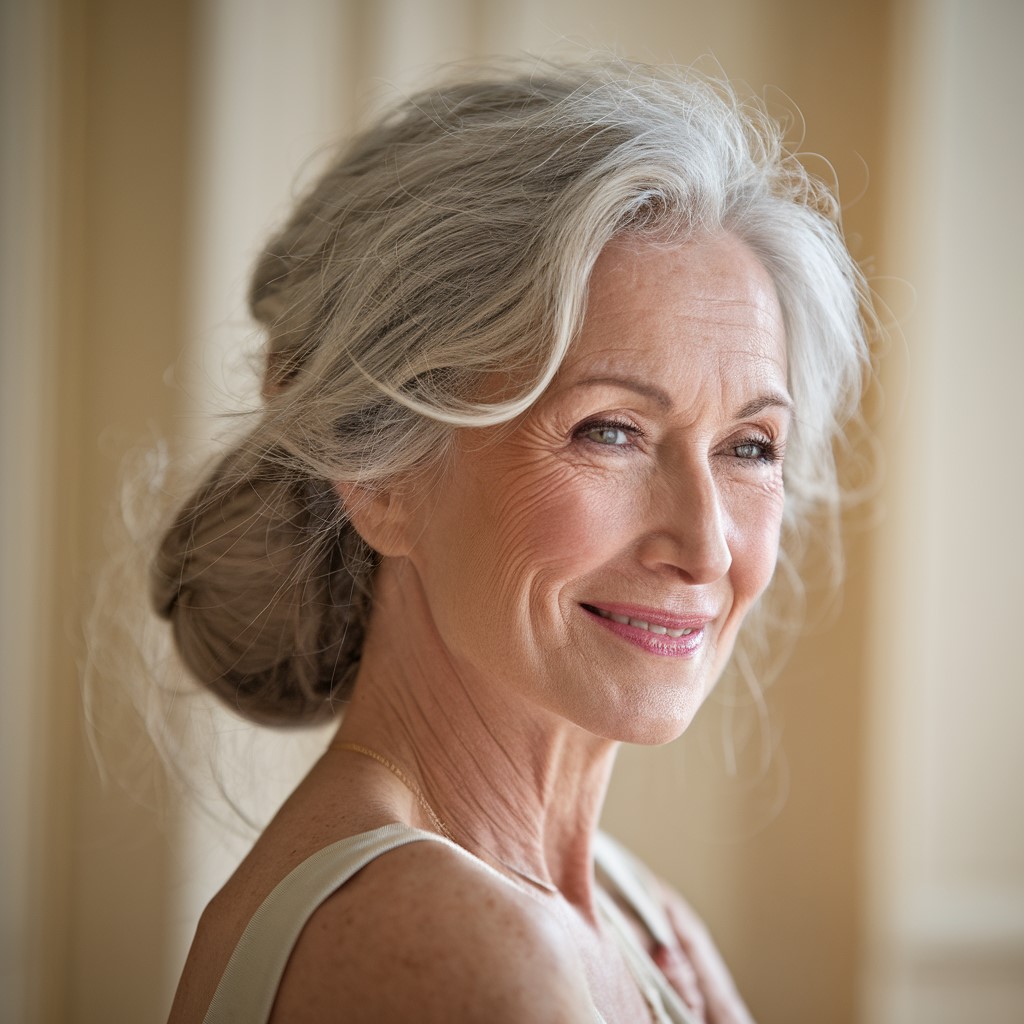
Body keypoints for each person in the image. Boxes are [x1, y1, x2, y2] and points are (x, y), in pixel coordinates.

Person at [153, 58, 869, 1023]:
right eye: (608, 430)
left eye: (750, 446)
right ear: (375, 470)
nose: (706, 546)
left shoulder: (628, 909)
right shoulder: (452, 940)